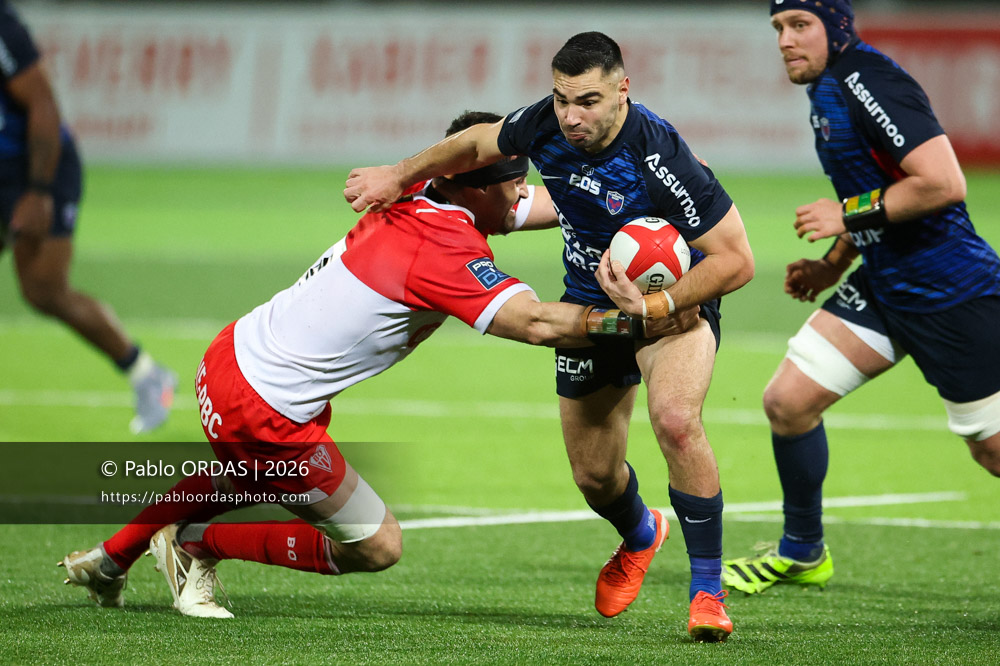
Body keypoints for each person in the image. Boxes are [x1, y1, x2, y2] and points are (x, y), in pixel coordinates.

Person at [59, 110, 682, 619]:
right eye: (516, 181)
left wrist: (636, 193)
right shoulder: (445, 252)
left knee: (246, 474)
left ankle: (113, 557)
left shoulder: (422, 189)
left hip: (233, 360)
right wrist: (641, 318)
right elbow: (542, 324)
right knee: (378, 545)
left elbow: (541, 206)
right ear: (480, 188)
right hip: (264, 410)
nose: (525, 192)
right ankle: (194, 544)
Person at [345, 33, 754, 642]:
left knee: (675, 421)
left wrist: (657, 303)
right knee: (594, 478)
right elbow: (477, 142)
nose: (570, 116)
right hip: (586, 307)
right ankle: (641, 533)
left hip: (674, 306)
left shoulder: (661, 156)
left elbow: (737, 260)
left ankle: (707, 593)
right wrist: (398, 173)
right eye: (562, 99)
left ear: (623, 90)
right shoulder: (545, 124)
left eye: (587, 100)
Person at [722, 0, 1000, 594]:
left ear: (837, 28)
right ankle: (803, 551)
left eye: (800, 26)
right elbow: (876, 191)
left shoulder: (869, 80)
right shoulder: (825, 90)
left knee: (993, 451)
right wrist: (831, 266)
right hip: (885, 282)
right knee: (788, 402)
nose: (785, 41)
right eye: (778, 28)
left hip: (952, 291)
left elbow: (943, 183)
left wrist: (843, 215)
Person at [0, 1, 176, 433]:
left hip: (37, 167)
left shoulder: (3, 29)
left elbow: (42, 102)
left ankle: (146, 375)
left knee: (43, 289)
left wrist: (39, 192)